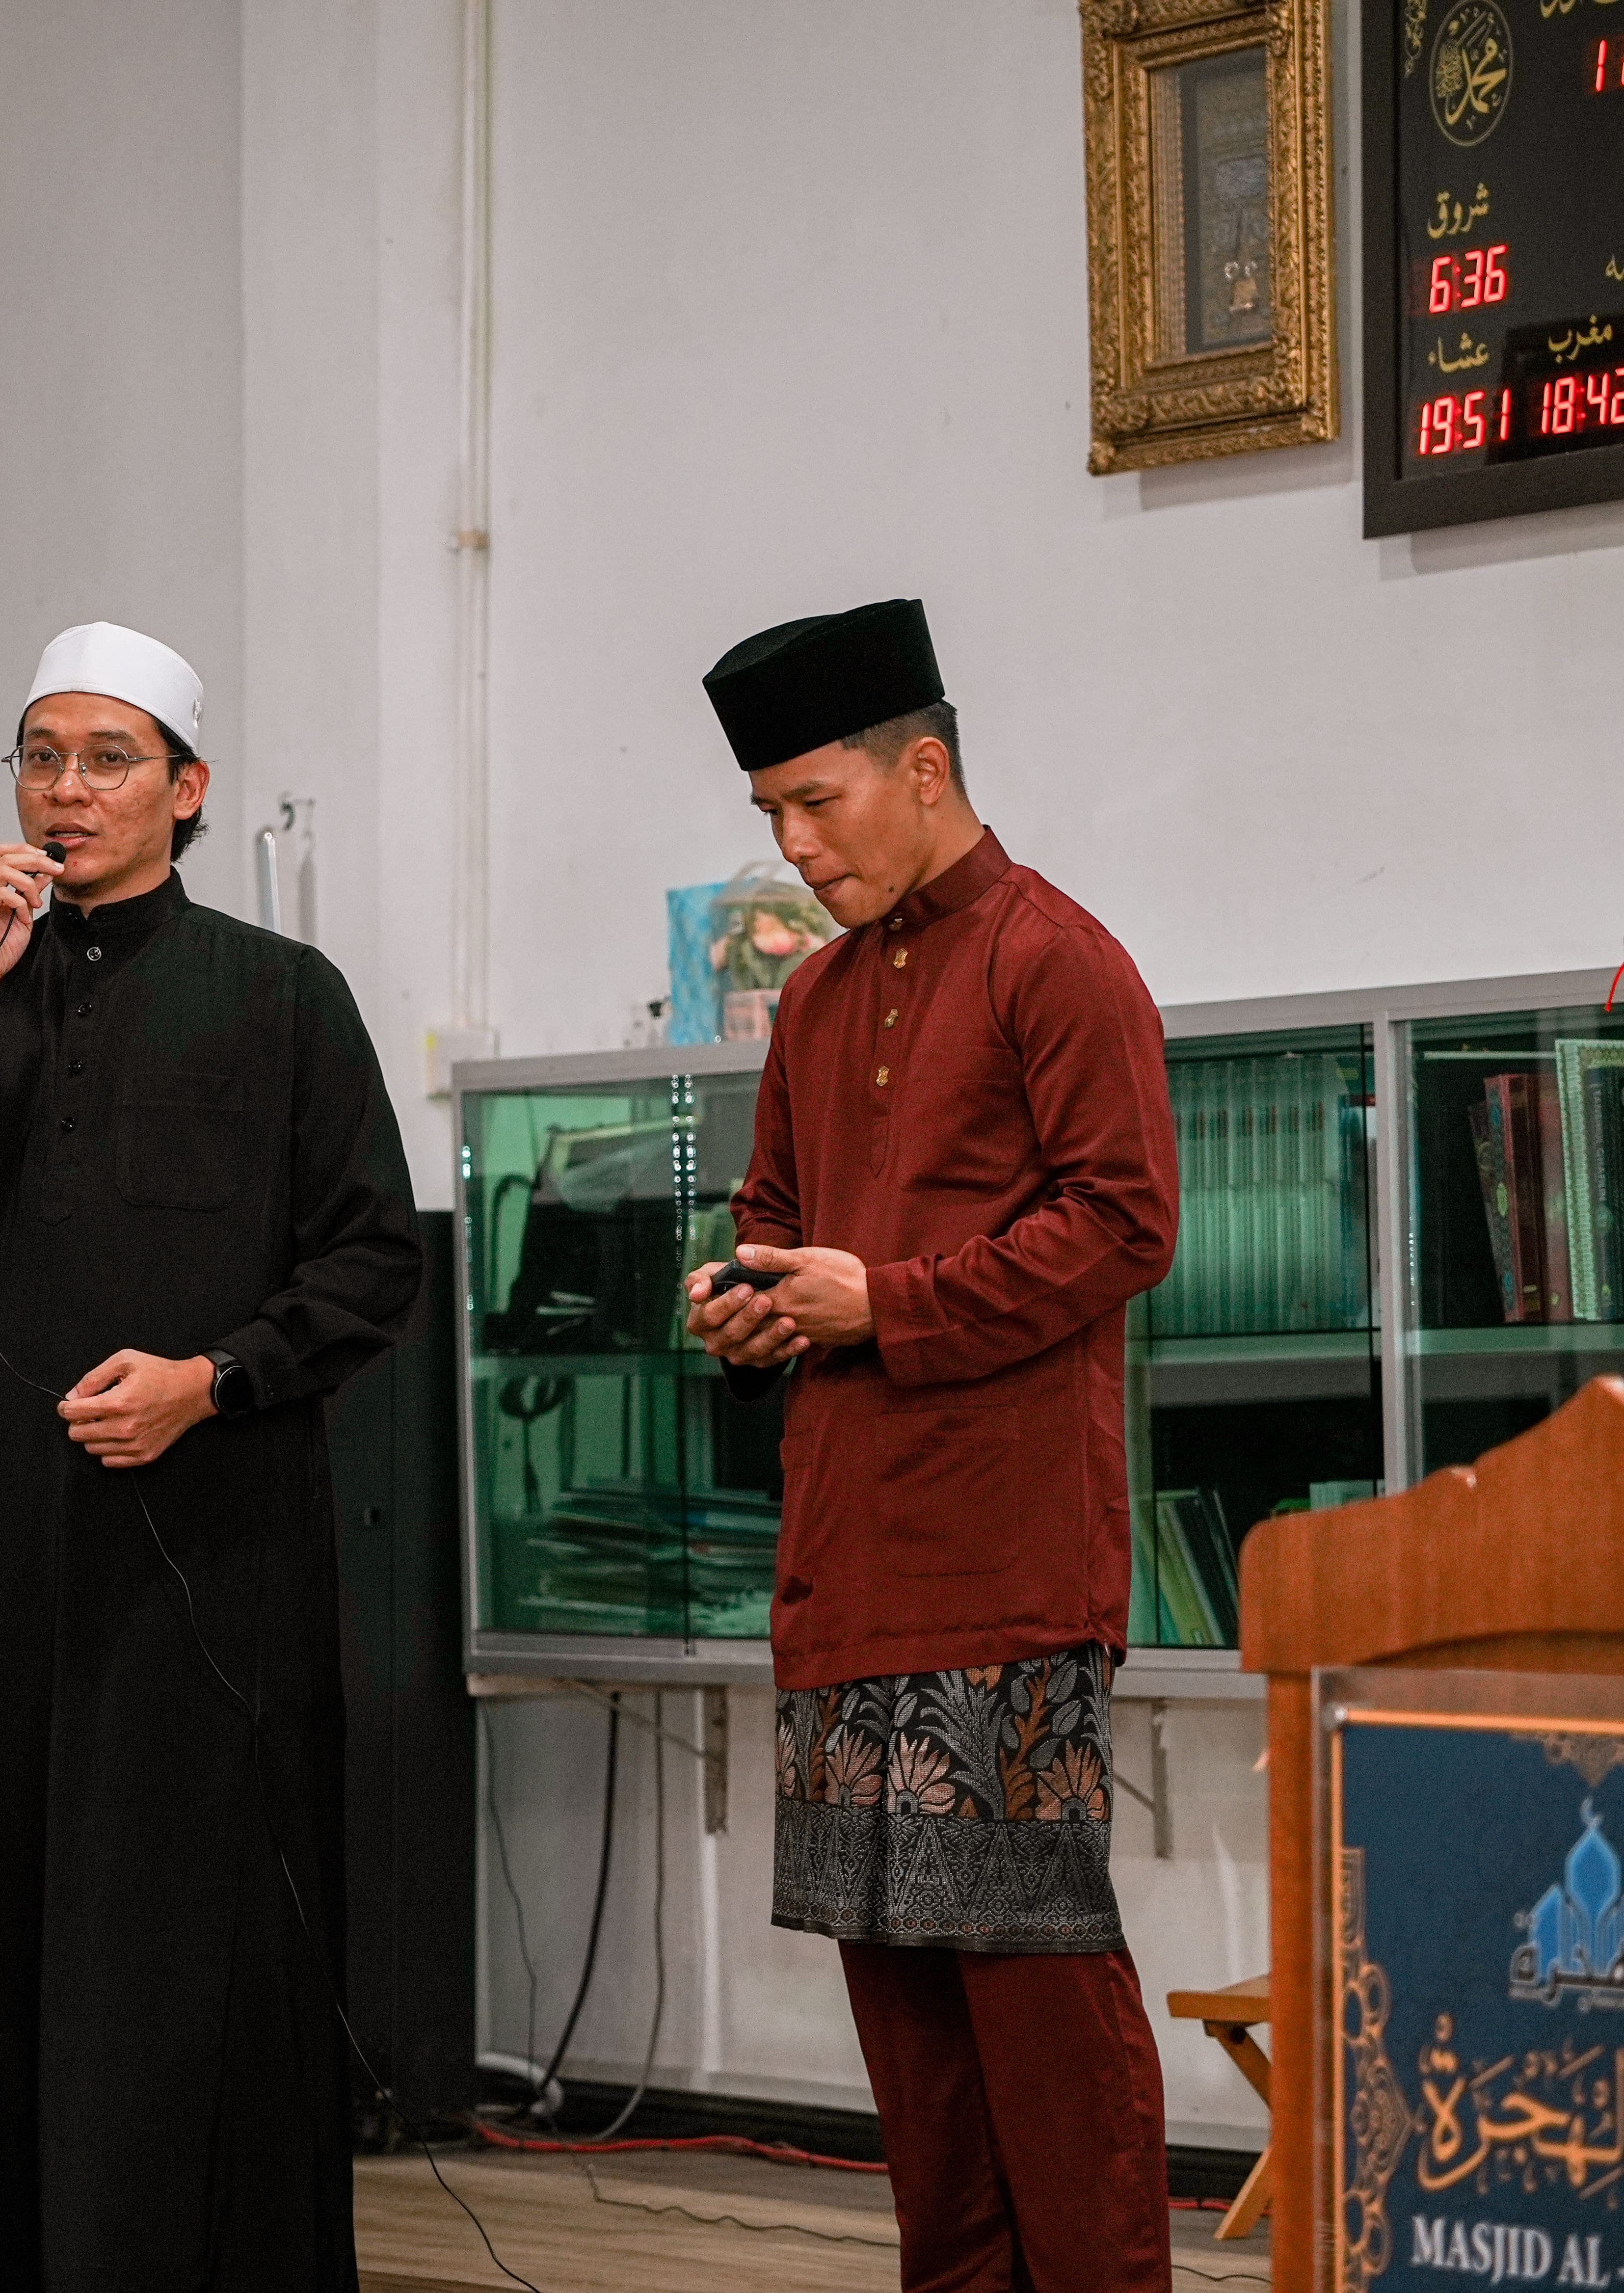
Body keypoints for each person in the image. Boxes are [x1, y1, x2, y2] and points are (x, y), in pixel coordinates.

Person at [0, 621, 421, 2291]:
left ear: (186, 788)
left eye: (107, 760)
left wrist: (209, 1382)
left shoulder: (283, 999)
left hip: (208, 1561)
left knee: (181, 1953)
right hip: (1, 1565)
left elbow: (375, 1261)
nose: (66, 791)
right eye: (41, 758)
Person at [683, 599, 1182, 2293]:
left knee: (1037, 2000)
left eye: (815, 803)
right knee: (904, 2019)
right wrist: (749, 1309)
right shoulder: (815, 999)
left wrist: (883, 1301)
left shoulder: (1057, 957)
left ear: (924, 770)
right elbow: (774, 1222)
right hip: (845, 1567)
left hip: (1002, 1573)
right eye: (770, 815)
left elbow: (1125, 1222)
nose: (794, 846)